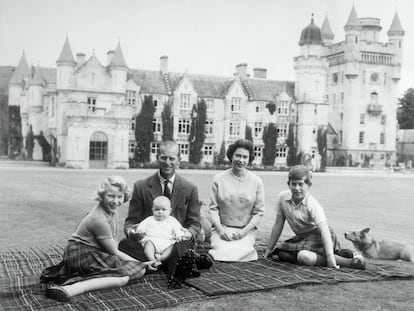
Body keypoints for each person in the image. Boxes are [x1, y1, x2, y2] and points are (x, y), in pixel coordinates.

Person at [40, 176, 150, 302]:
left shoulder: (111, 211)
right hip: (80, 254)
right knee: (124, 277)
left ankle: (79, 281)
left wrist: (139, 265)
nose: (115, 201)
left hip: (90, 251)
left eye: (119, 197)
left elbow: (113, 241)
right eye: (111, 196)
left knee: (136, 271)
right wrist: (142, 264)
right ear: (102, 196)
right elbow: (114, 251)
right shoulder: (99, 219)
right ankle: (70, 289)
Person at [119, 140, 211, 288]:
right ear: (157, 158)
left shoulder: (190, 188)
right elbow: (130, 221)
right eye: (163, 157)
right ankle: (179, 265)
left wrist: (189, 233)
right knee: (125, 244)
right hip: (148, 243)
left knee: (184, 245)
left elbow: (194, 223)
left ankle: (169, 268)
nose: (167, 162)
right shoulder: (141, 186)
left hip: (174, 242)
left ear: (179, 161)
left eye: (172, 158)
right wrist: (132, 232)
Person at [264, 165, 366, 270]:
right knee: (280, 252)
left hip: (320, 236)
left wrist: (330, 258)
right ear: (288, 184)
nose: (297, 188)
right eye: (293, 184)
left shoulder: (312, 205)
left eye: (301, 184)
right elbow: (278, 225)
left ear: (309, 185)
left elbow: (325, 231)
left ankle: (348, 262)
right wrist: (269, 249)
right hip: (302, 238)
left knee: (303, 257)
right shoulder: (282, 198)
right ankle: (342, 254)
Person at [208, 139, 265, 261]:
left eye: (245, 157)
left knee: (241, 252)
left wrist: (244, 232)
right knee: (222, 252)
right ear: (231, 156)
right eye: (238, 155)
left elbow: (259, 212)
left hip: (245, 230)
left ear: (249, 159)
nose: (241, 160)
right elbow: (213, 209)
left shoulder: (256, 182)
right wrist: (220, 229)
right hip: (222, 228)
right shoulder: (218, 179)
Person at [135, 196, 185, 267]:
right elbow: (141, 227)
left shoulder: (172, 220)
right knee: (148, 246)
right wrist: (141, 231)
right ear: (152, 210)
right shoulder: (149, 220)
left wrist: (179, 235)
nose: (160, 212)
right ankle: (153, 260)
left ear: (169, 211)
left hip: (167, 242)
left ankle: (162, 258)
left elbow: (178, 229)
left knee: (173, 247)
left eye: (163, 209)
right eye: (157, 209)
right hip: (152, 241)